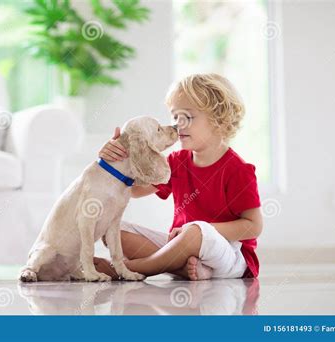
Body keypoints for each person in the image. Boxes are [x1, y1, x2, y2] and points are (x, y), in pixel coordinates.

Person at [95, 73, 263, 280]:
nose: (177, 124)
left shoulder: (238, 170)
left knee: (196, 230)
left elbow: (253, 226)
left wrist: (197, 231)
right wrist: (119, 160)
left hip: (229, 254)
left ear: (218, 119)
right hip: (183, 244)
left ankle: (132, 268)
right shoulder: (177, 161)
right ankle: (182, 268)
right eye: (175, 117)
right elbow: (134, 191)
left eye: (187, 117)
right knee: (115, 228)